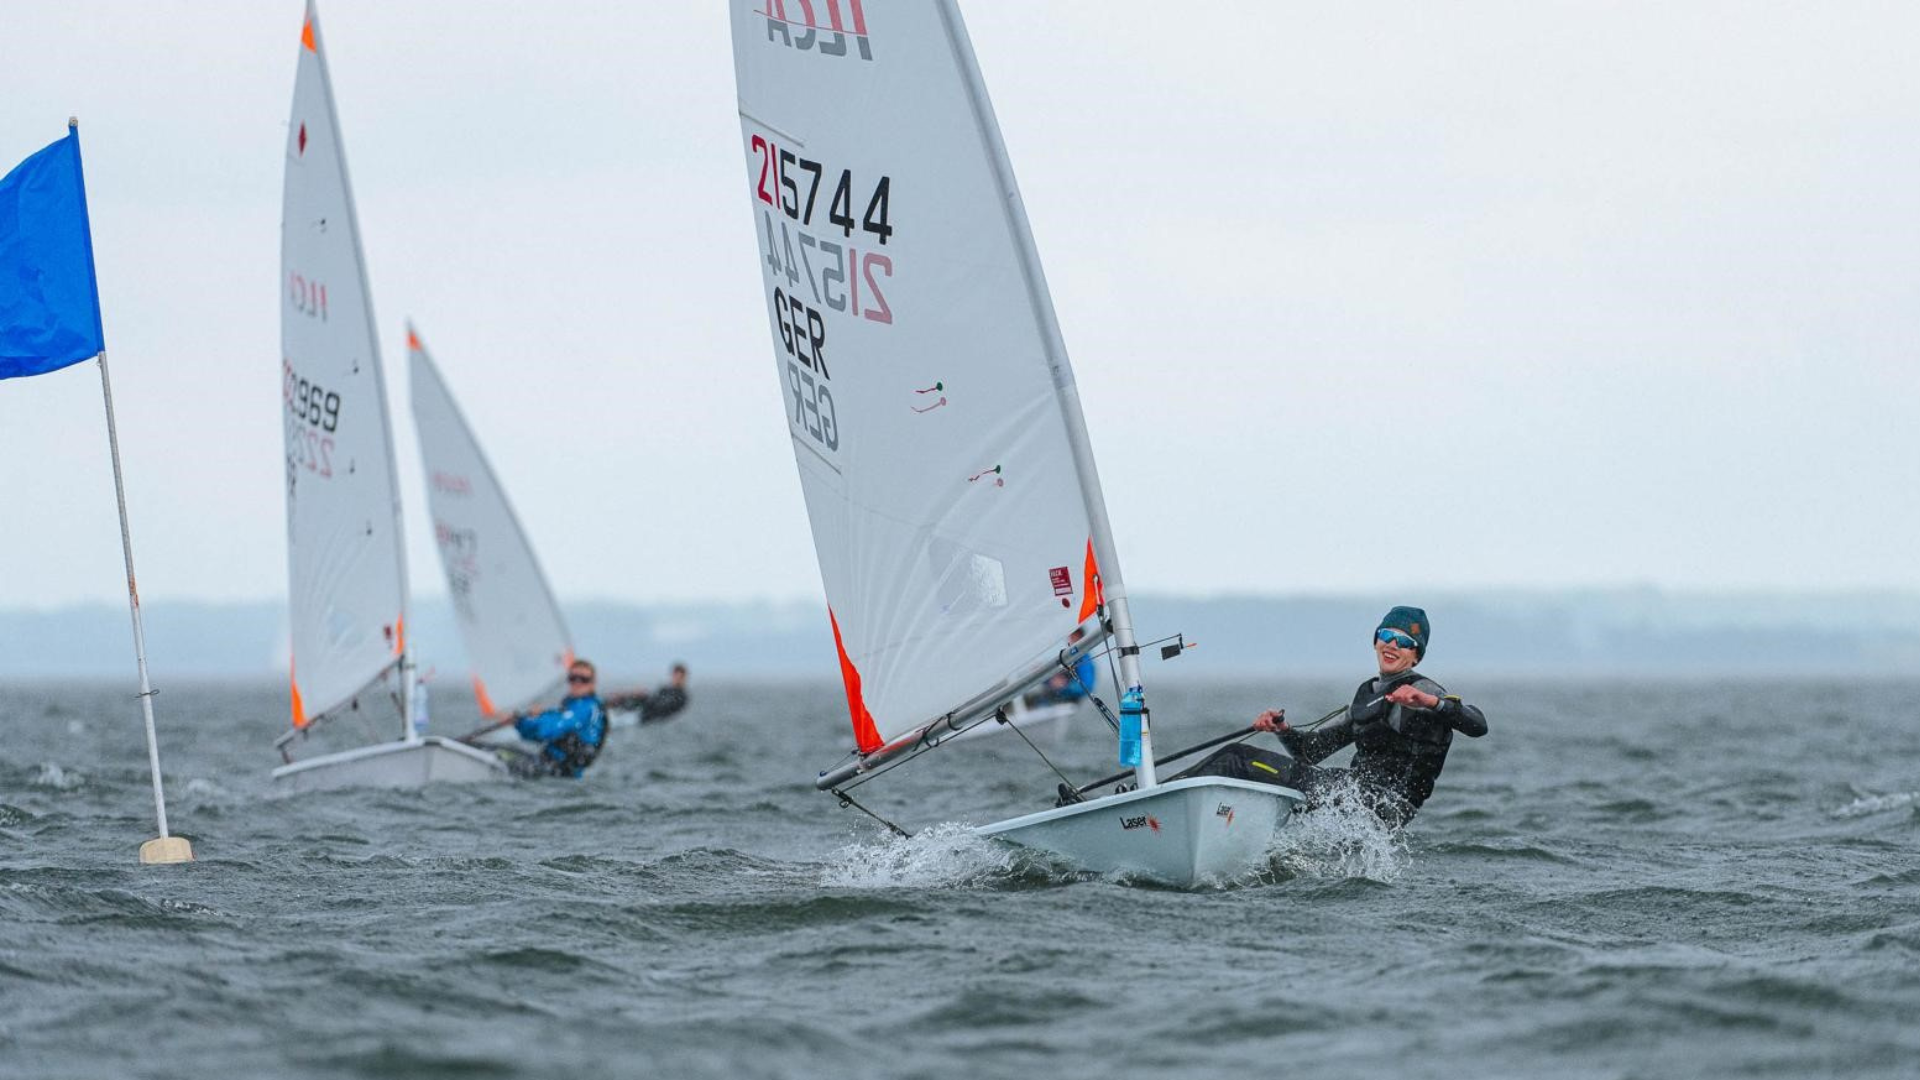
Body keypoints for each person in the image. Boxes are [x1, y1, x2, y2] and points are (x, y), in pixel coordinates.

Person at [1184, 605, 1487, 826]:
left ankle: (1155, 801)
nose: (1393, 644)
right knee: (1257, 785)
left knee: (1236, 758)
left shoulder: (1424, 689)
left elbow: (1478, 725)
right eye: (1387, 635)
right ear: (1375, 641)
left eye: (1405, 641)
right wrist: (1282, 729)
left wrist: (1430, 702)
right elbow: (1310, 753)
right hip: (1350, 795)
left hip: (1383, 804)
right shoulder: (1368, 693)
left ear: (1416, 655)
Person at [509, 659, 609, 778]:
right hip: (550, 766)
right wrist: (520, 722)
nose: (577, 683)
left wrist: (524, 720)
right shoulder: (570, 706)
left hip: (560, 773)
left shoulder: (586, 708)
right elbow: (534, 735)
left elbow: (547, 729)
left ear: (593, 683)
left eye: (583, 679)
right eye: (573, 678)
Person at [604, 662, 691, 724]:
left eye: (680, 677)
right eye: (676, 676)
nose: (677, 679)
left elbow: (662, 706)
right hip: (644, 710)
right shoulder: (665, 688)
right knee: (624, 697)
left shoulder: (682, 696)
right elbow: (655, 698)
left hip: (648, 717)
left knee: (634, 698)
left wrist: (644, 697)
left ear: (684, 677)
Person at [1040, 628, 1097, 703]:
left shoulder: (1083, 658)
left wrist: (1064, 686)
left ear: (1080, 638)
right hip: (1057, 695)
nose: (1069, 641)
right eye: (1070, 638)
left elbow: (1086, 686)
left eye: (1073, 638)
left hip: (1069, 700)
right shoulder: (1071, 656)